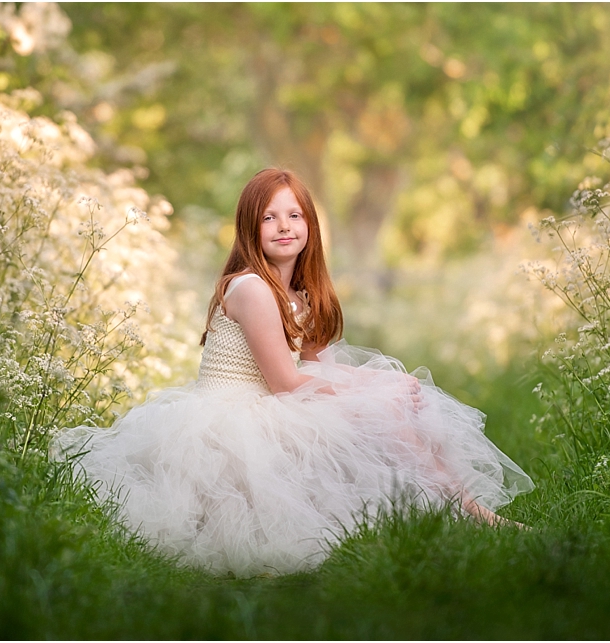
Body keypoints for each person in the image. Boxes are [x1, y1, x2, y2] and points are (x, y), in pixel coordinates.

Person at [52, 168, 533, 577]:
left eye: (294, 215)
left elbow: (321, 368)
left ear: (310, 226)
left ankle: (462, 512)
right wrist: (374, 391)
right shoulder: (251, 289)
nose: (284, 227)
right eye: (269, 217)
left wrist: (381, 385)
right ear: (249, 228)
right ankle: (470, 515)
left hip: (273, 405)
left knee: (394, 408)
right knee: (379, 409)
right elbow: (284, 381)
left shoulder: (302, 296)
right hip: (235, 418)